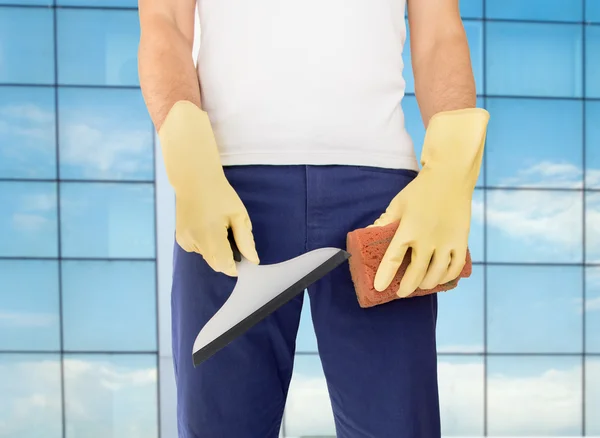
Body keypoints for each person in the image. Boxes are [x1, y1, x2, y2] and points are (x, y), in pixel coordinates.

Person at [137, 0, 489, 436]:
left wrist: (450, 169)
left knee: (398, 426)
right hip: (225, 189)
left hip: (379, 200)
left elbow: (439, 32)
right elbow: (164, 23)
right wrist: (190, 161)